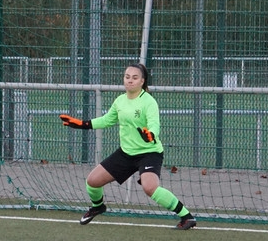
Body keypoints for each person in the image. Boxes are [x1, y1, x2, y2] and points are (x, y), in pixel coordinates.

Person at [60, 62, 197, 230]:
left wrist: (150, 135)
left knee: (150, 187)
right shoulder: (120, 101)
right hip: (126, 153)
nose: (130, 81)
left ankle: (186, 217)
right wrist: (82, 124)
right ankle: (98, 207)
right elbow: (106, 120)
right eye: (127, 77)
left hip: (149, 152)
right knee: (92, 181)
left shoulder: (149, 102)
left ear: (142, 81)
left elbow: (154, 125)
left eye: (134, 78)